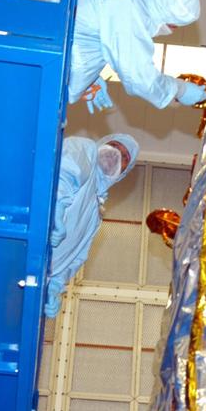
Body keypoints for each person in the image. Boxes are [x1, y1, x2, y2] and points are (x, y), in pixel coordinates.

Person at [50, 0, 206, 112]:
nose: (171, 31)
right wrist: (179, 89)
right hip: (48, 65)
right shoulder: (126, 3)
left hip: (53, 59)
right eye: (173, 26)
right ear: (163, 12)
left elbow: (86, 33)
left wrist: (89, 78)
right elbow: (138, 76)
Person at [44, 133, 140, 318]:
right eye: (114, 145)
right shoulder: (86, 149)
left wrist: (54, 286)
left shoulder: (96, 212)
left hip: (37, 272)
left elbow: (77, 257)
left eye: (125, 157)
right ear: (103, 144)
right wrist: (55, 209)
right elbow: (63, 171)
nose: (116, 154)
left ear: (124, 172)